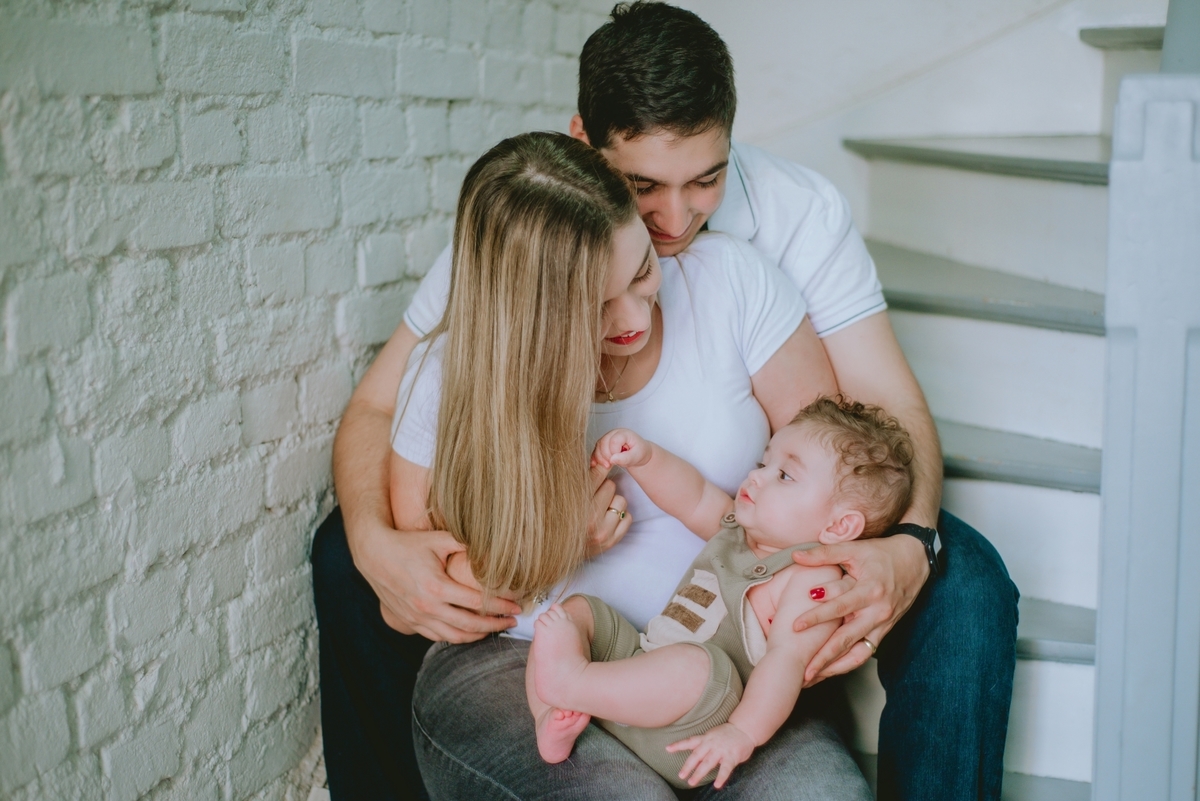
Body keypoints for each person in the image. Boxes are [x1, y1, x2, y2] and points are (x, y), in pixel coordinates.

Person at [311, 3, 1018, 799]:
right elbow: (384, 411)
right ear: (584, 146)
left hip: (735, 600)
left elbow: (876, 413)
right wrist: (377, 543)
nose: (676, 221)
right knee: (342, 550)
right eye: (643, 187)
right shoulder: (521, 243)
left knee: (967, 580)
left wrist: (906, 546)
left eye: (705, 180)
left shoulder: (776, 235)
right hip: (556, 628)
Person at [388, 129, 869, 800]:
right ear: (532, 318)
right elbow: (420, 586)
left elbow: (837, 468)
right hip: (516, 658)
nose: (636, 314)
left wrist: (814, 607)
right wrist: (556, 538)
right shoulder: (447, 380)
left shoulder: (726, 281)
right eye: (597, 305)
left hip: (725, 657)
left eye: (642, 271)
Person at [527, 397, 915, 791]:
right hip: (635, 670)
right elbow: (691, 495)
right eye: (765, 464)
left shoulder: (808, 581)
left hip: (691, 724)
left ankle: (570, 683)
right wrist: (644, 458)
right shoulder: (736, 529)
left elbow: (786, 663)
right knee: (578, 613)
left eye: (785, 476)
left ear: (839, 526)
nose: (756, 476)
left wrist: (742, 734)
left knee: (699, 666)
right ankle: (550, 719)